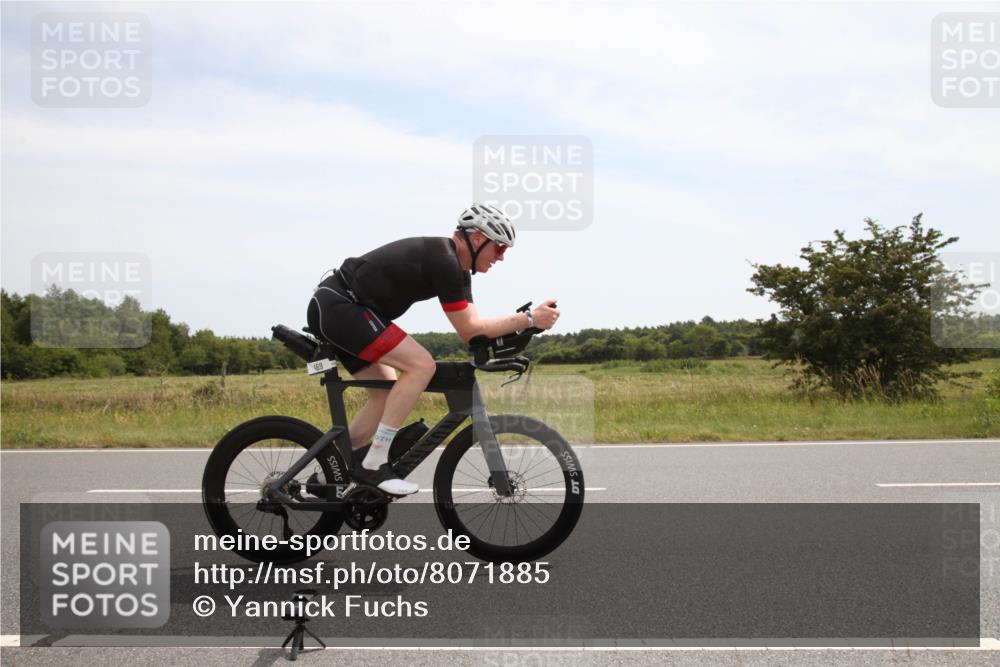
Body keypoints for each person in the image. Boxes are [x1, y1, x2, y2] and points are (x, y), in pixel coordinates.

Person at [306, 203, 559, 495]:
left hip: (344, 309)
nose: (501, 258)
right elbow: (471, 329)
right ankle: (374, 463)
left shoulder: (459, 270)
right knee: (421, 365)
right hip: (340, 306)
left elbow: (473, 329)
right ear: (477, 239)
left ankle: (330, 471)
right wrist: (528, 318)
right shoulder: (444, 260)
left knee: (386, 392)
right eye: (499, 248)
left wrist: (523, 329)